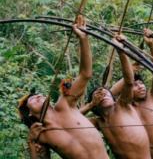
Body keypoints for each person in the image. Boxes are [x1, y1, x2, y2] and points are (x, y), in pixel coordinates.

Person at [18, 16, 109, 159]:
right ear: (29, 113)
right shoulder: (42, 136)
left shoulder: (65, 103)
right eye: (31, 99)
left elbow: (85, 74)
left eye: (38, 95)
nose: (37, 96)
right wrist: (31, 141)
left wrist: (83, 39)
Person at [80, 34, 151, 159]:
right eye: (99, 95)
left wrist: (120, 51)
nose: (104, 95)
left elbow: (129, 81)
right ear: (95, 105)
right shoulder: (98, 122)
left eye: (106, 93)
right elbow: (72, 118)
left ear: (113, 98)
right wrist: (91, 104)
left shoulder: (122, 105)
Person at [110, 29, 153, 159]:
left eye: (141, 83)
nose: (140, 87)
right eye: (135, 85)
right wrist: (131, 71)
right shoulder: (126, 108)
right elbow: (109, 94)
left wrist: (151, 45)